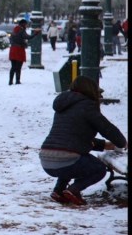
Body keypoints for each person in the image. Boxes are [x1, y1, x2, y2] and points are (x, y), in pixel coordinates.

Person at [39, 76, 127, 206]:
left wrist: (105, 145)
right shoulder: (87, 106)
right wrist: (122, 142)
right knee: (98, 169)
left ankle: (59, 191)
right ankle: (73, 190)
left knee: (72, 159)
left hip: (46, 159)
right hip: (65, 159)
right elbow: (107, 128)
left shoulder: (63, 106)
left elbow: (75, 137)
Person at [8, 19, 40, 85]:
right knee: (18, 66)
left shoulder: (14, 30)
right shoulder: (21, 30)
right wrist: (35, 33)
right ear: (23, 24)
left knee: (13, 66)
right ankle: (17, 80)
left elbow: (11, 39)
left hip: (13, 49)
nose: (26, 26)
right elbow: (27, 37)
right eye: (25, 24)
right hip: (19, 50)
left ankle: (10, 81)